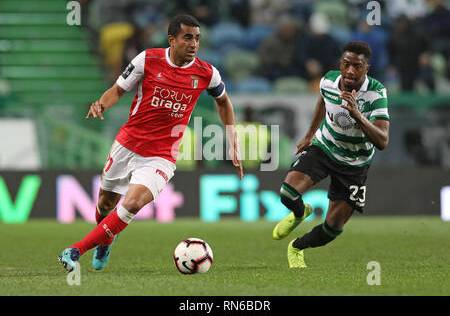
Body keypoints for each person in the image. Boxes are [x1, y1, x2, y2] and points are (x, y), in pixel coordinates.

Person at [58, 14, 244, 272]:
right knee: (104, 205)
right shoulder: (147, 59)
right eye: (187, 37)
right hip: (128, 143)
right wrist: (102, 102)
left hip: (162, 155)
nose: (194, 44)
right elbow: (118, 90)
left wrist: (233, 141)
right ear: (172, 39)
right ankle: (106, 238)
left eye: (197, 39)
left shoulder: (206, 73)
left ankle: (76, 250)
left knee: (132, 204)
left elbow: (223, 101)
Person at [272, 41, 390, 268]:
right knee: (287, 193)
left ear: (367, 68)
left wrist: (357, 114)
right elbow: (323, 101)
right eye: (346, 64)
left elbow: (383, 141)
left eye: (357, 66)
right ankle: (299, 213)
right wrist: (309, 134)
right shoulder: (328, 81)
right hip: (325, 148)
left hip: (355, 164)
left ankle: (296, 247)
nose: (350, 71)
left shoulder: (376, 92)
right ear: (341, 64)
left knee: (333, 229)